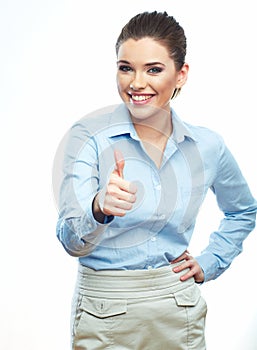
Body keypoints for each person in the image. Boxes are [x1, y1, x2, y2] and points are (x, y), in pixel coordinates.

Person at [54, 11, 257, 349]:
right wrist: (98, 208)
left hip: (179, 308)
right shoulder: (88, 136)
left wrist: (209, 262)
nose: (136, 83)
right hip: (105, 310)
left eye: (154, 69)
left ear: (181, 75)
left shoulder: (207, 146)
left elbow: (243, 211)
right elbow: (70, 241)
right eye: (125, 68)